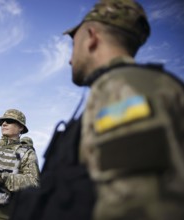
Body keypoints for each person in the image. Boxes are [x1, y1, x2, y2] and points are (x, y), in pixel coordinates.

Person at [11, 1, 184, 220]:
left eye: (73, 46)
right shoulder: (133, 86)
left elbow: (136, 206)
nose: (70, 59)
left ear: (92, 37)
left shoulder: (121, 88)